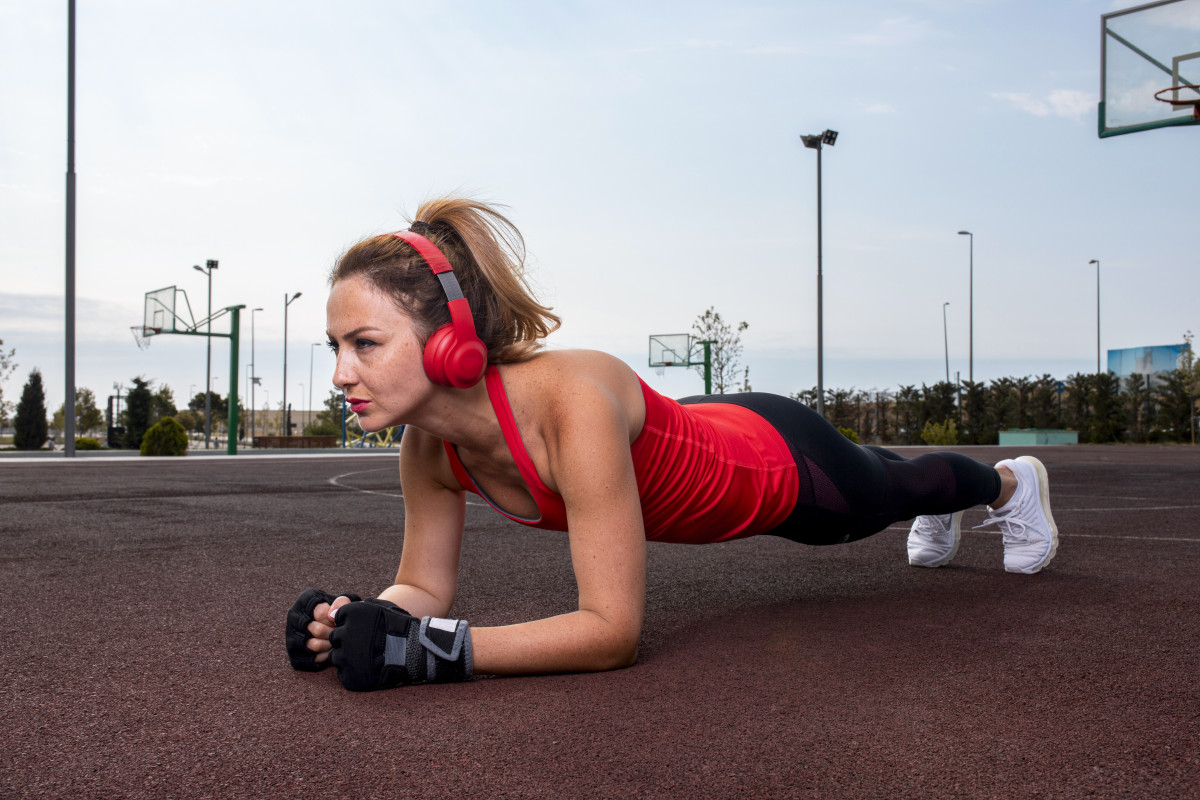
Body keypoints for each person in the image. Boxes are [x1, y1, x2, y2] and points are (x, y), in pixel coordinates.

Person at [284, 197, 1059, 692]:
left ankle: (1009, 487)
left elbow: (610, 633)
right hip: (699, 421)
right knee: (899, 481)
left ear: (451, 341)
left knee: (900, 488)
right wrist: (364, 621)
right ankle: (979, 494)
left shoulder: (569, 404)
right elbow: (422, 590)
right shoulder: (426, 449)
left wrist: (436, 654)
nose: (343, 372)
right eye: (334, 347)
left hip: (778, 463)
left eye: (365, 343)